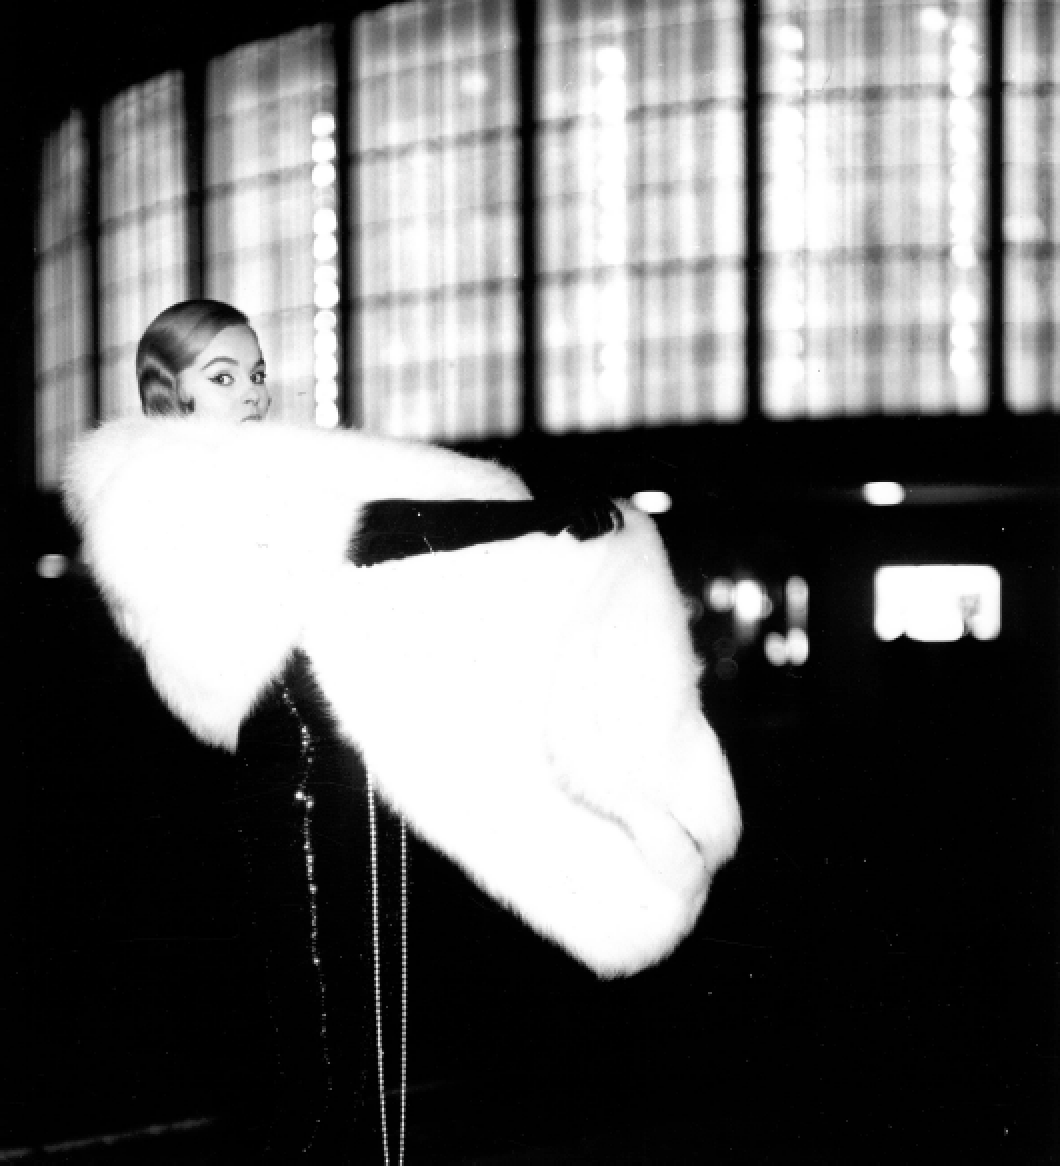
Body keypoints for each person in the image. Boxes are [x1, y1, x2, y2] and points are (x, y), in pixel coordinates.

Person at [64, 300, 742, 1165]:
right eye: (223, 376)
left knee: (362, 1023)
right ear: (167, 392)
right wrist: (531, 518)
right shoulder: (161, 486)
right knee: (331, 1036)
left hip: (344, 763)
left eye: (259, 374)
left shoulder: (247, 475)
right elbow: (370, 533)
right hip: (303, 774)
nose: (252, 394)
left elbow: (369, 539)